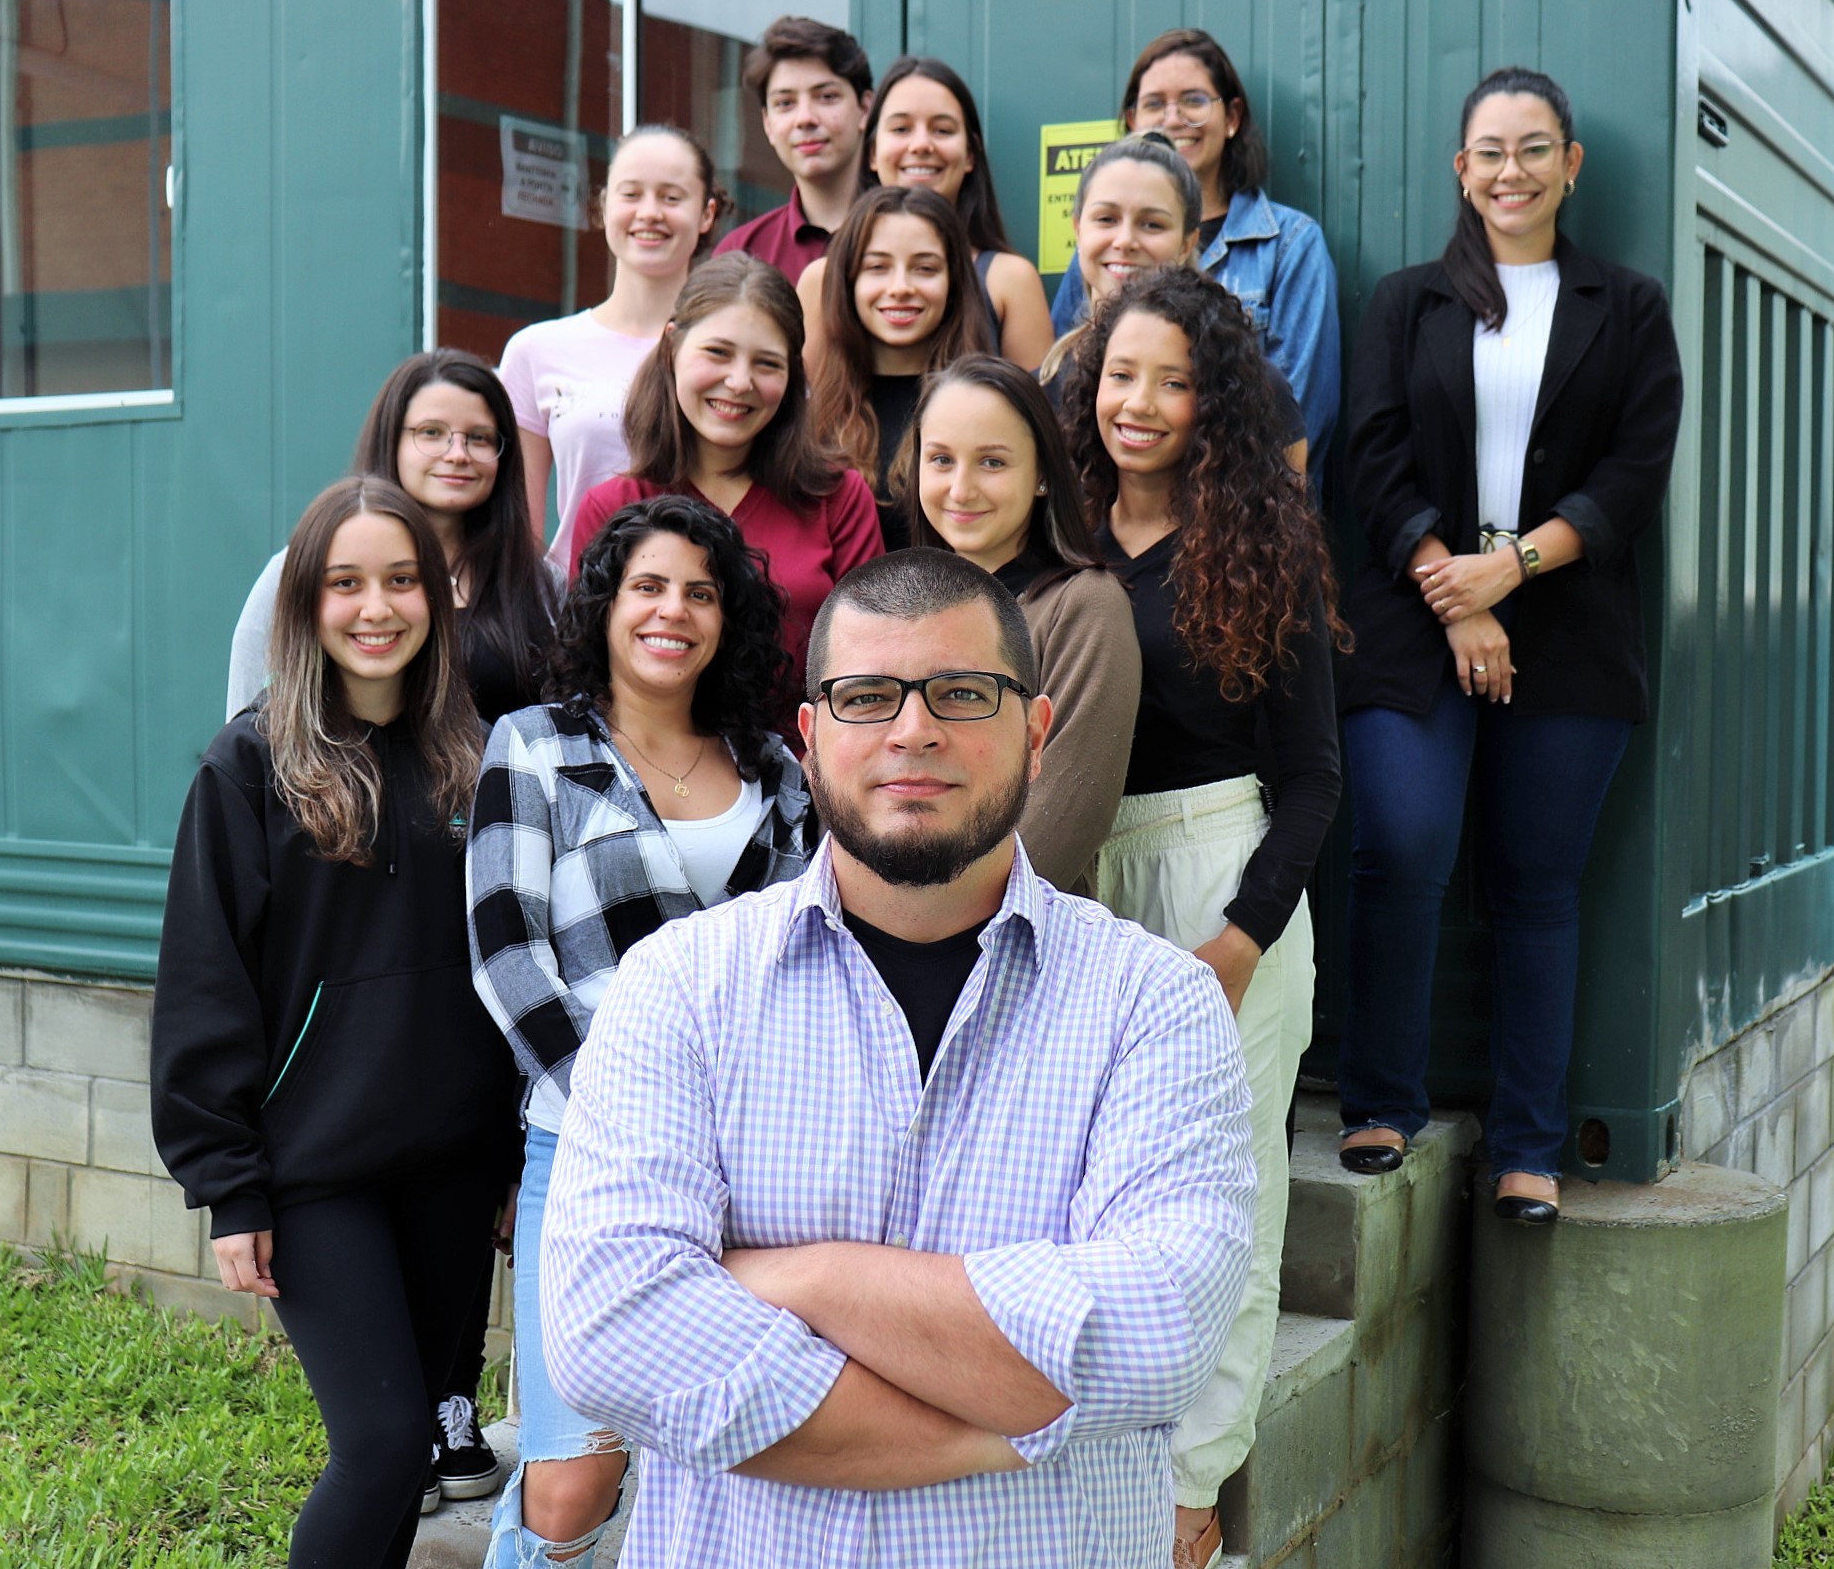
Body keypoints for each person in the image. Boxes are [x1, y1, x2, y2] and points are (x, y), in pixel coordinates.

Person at [535, 547, 1257, 1568]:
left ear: (1036, 731)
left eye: (961, 693)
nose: (912, 729)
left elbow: (1156, 1336)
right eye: (867, 696)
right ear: (811, 735)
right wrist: (991, 1428)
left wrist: (810, 1280)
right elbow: (611, 1330)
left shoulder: (1156, 1004)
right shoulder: (679, 988)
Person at [153, 477, 523, 1569]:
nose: (376, 607)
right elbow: (204, 981)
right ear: (304, 604)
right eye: (345, 583)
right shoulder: (249, 766)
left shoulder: (485, 758)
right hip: (315, 1170)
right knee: (378, 1443)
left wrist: (509, 1155)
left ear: (436, 598)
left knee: (421, 1447)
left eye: (401, 580)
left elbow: (511, 968)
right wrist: (229, 1184)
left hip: (454, 1163)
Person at [1334, 68, 1683, 1225]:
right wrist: (1459, 593)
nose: (1510, 171)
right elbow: (1369, 461)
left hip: (1572, 633)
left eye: (1534, 149)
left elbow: (1630, 477)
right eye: (1488, 150)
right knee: (1400, 843)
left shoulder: (1625, 308)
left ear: (1570, 164)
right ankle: (1382, 1098)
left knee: (1537, 888)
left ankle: (1527, 1145)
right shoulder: (1405, 302)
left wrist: (1515, 568)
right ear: (1459, 169)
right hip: (1411, 615)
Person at [1059, 265, 1344, 1569]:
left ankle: (1186, 1481)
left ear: (1209, 404)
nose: (1140, 400)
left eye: (1173, 380)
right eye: (1122, 372)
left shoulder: (1259, 540)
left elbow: (1314, 783)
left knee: (1225, 1193)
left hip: (1218, 868)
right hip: (1074, 869)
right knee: (1076, 1184)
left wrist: (1237, 937)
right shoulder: (1055, 527)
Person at [468, 494, 811, 1569]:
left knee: (713, 1459)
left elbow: (806, 970)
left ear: (729, 619)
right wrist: (625, 1104)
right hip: (586, 1147)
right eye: (648, 587)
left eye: (700, 593)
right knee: (572, 1477)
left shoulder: (776, 775)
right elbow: (506, 955)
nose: (673, 611)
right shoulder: (534, 747)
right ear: (607, 605)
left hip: (746, 1159)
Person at [562, 254, 882, 715]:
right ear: (672, 346)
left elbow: (871, 663)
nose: (738, 382)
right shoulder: (611, 507)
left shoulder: (839, 498)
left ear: (792, 374)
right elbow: (590, 673)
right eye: (718, 353)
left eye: (767, 363)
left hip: (809, 773)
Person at [904, 354, 1136, 893]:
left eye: (992, 463)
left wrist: (947, 922)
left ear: (1040, 477)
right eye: (940, 460)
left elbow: (1073, 809)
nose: (961, 489)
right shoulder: (894, 611)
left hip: (1021, 939)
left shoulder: (1083, 606)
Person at [1049, 30, 1341, 453]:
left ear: (1232, 118)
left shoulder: (1289, 243)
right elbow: (1065, 384)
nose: (1173, 118)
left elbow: (1298, 416)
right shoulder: (1101, 253)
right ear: (1132, 121)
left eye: (1194, 101)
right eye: (1153, 104)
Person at [228, 350, 556, 725]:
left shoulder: (542, 585)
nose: (458, 454)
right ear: (391, 439)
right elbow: (246, 720)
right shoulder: (300, 568)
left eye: (479, 438)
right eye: (431, 433)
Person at [502, 126, 726, 572]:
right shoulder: (536, 350)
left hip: (707, 598)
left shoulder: (736, 355)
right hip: (575, 611)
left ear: (707, 213)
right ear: (603, 207)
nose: (649, 213)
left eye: (671, 197)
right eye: (631, 194)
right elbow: (516, 531)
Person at [1039, 132, 1306, 475]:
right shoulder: (1042, 392)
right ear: (1078, 230)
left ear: (1187, 242)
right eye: (1106, 219)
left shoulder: (1255, 388)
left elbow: (1290, 516)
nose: (1125, 241)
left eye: (1152, 224)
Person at [796, 57, 1052, 372]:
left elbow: (1039, 415)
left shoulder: (1009, 280)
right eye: (901, 128)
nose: (920, 145)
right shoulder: (821, 281)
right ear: (873, 153)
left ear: (970, 154)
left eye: (942, 130)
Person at [806, 185, 991, 549]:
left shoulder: (988, 407)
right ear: (849, 282)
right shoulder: (810, 412)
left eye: (925, 268)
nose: (901, 287)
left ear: (953, 284)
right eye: (877, 267)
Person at [715, 16, 874, 283]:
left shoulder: (916, 233)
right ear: (767, 123)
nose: (805, 118)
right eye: (785, 103)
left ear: (865, 108)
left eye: (826, 97)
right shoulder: (740, 254)